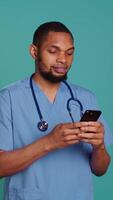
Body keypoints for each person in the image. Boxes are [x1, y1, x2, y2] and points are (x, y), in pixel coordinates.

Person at [0, 21, 113, 200]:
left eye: (69, 53)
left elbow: (100, 170)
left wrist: (99, 147)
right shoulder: (8, 98)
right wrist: (50, 142)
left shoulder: (86, 98)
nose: (63, 59)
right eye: (53, 51)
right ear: (34, 52)